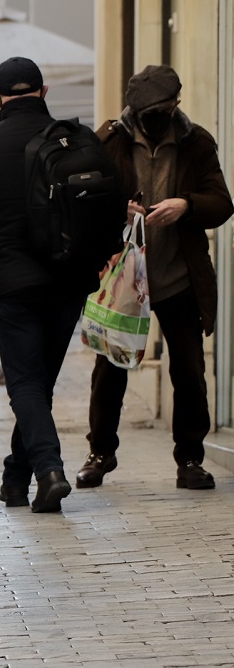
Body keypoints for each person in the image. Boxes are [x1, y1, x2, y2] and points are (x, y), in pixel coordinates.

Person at [0, 57, 110, 514]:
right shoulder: (78, 141)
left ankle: (49, 470)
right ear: (43, 93)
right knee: (38, 382)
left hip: (10, 284)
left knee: (24, 382)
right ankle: (16, 477)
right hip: (69, 281)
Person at [76, 65, 233, 491]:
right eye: (147, 112)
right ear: (133, 110)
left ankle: (191, 460)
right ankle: (100, 453)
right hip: (126, 279)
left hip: (178, 275)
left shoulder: (196, 142)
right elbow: (82, 200)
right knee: (111, 368)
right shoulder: (108, 140)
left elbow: (222, 202)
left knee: (189, 370)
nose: (155, 117)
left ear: (176, 105)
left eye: (162, 110)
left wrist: (186, 204)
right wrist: (116, 210)